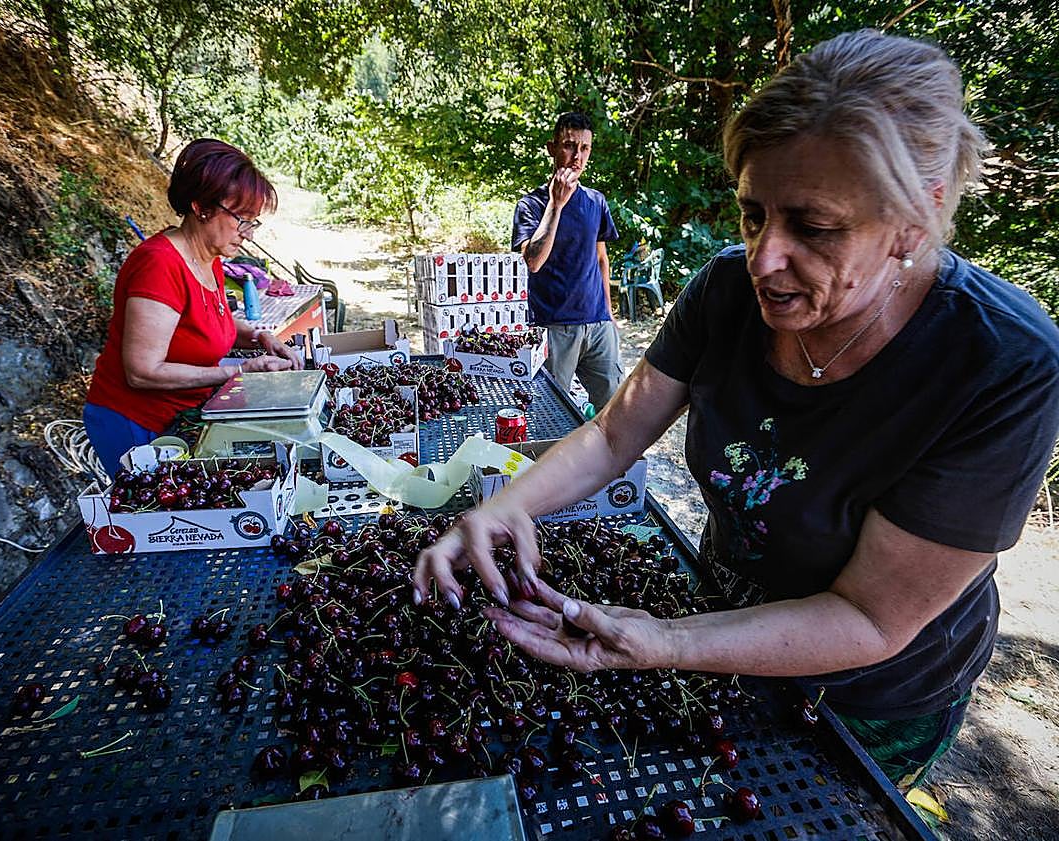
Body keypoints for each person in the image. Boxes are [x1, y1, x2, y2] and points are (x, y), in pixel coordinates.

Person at [416, 30, 1059, 789]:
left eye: (813, 227)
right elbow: (615, 432)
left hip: (869, 697)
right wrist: (506, 507)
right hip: (716, 622)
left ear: (919, 216)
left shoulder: (1002, 363)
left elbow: (870, 617)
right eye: (753, 214)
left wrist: (668, 642)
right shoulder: (725, 291)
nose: (762, 257)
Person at [84, 138, 302, 472]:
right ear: (201, 207)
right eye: (241, 219)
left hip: (184, 413)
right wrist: (238, 372)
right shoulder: (159, 265)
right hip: (138, 422)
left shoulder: (208, 257)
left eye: (253, 222)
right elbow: (142, 371)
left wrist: (262, 338)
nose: (249, 234)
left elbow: (209, 324)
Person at [512, 112, 622, 412]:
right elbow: (533, 261)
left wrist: (609, 314)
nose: (577, 156)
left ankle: (604, 461)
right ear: (552, 148)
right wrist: (556, 204)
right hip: (553, 326)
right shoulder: (531, 205)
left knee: (613, 409)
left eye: (585, 148)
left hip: (597, 324)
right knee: (549, 413)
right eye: (569, 145)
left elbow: (601, 259)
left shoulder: (596, 201)